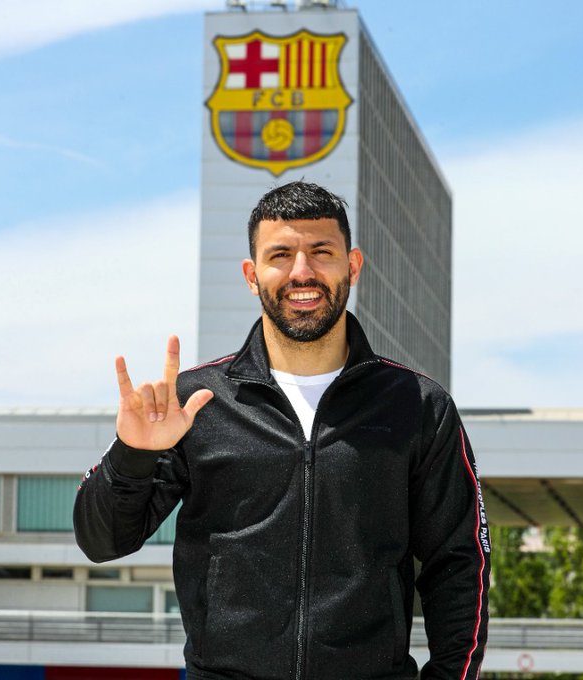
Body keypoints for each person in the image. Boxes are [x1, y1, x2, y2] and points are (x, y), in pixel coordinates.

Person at [74, 181, 490, 680]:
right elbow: (101, 542)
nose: (302, 272)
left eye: (322, 252)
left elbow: (459, 564)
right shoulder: (196, 403)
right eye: (280, 255)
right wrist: (133, 455)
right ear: (252, 275)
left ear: (352, 266)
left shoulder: (418, 405)